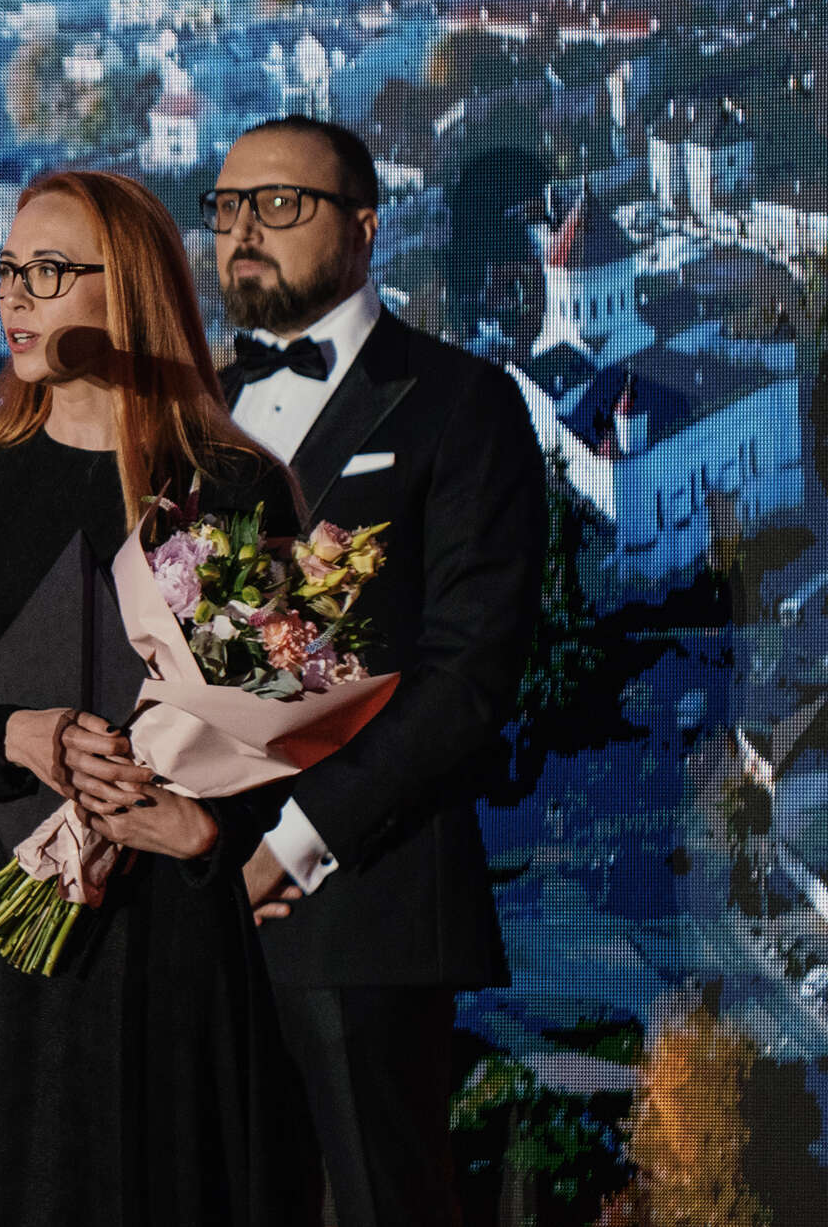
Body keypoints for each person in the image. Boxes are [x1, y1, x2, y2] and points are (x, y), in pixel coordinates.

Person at [0, 170, 306, 1226]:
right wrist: (15, 738)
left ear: (133, 287)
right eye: (8, 270)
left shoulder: (227, 483)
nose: (15, 296)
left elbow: (270, 720)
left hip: (165, 931)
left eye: (50, 270)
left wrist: (202, 832)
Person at [207, 114, 547, 1227]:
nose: (243, 228)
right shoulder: (189, 406)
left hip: (365, 905)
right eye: (227, 205)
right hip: (188, 906)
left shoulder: (462, 400)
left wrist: (291, 845)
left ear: (363, 227)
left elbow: (466, 676)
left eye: (279, 203)